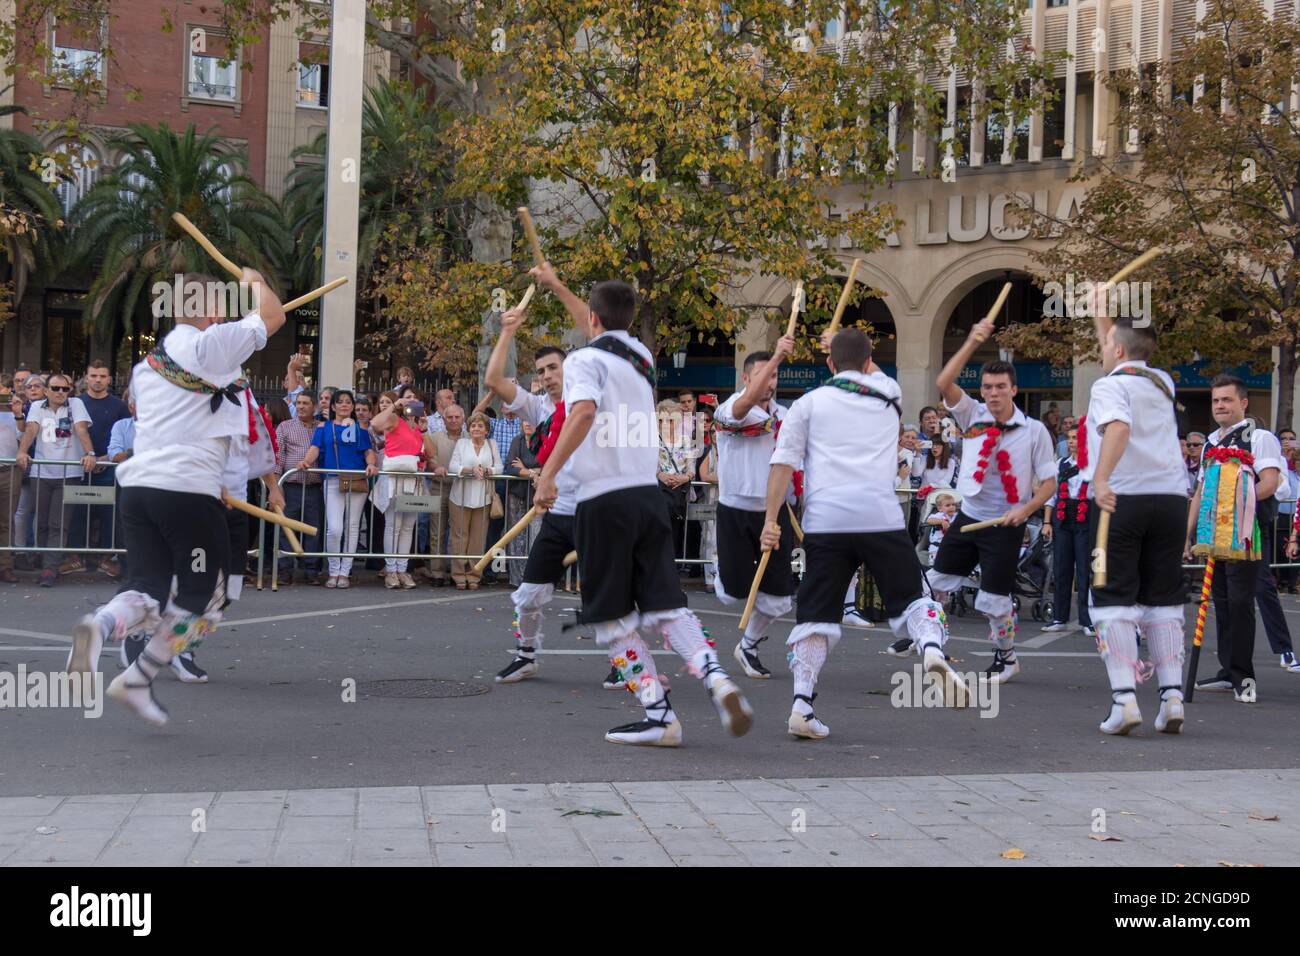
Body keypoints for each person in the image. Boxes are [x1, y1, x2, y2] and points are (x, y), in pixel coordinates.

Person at [531, 262, 752, 746]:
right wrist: (558, 285)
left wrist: (548, 473)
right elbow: (601, 326)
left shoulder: (585, 362)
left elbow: (584, 411)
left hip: (600, 500)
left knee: (611, 618)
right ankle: (717, 678)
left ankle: (659, 714)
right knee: (666, 605)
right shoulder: (640, 356)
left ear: (591, 319)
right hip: (647, 496)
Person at [67, 269, 286, 727]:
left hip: (140, 490)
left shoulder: (147, 368)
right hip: (186, 492)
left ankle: (102, 623)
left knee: (146, 585)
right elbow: (273, 314)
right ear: (211, 312)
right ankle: (140, 674)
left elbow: (186, 424)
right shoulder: (211, 346)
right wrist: (255, 280)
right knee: (204, 595)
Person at [760, 327, 970, 739]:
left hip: (827, 519)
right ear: (871, 360)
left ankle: (803, 704)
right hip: (879, 514)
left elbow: (782, 464)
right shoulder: (889, 394)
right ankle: (930, 648)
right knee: (912, 596)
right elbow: (866, 368)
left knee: (816, 614)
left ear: (829, 364)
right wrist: (839, 345)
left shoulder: (807, 404)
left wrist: (771, 521)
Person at [919, 319, 1057, 681]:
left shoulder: (1035, 431)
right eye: (987, 387)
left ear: (1013, 389)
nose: (993, 393)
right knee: (935, 581)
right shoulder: (973, 414)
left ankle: (1006, 657)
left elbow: (1049, 483)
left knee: (995, 602)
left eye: (1000, 387)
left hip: (1004, 523)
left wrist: (1025, 511)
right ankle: (931, 644)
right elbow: (943, 382)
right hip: (969, 515)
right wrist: (971, 339)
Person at [1078, 316, 1190, 733]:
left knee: (1111, 599)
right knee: (1164, 599)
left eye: (1106, 344)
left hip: (1122, 499)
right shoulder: (1162, 381)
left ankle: (1124, 700)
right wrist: (1101, 311)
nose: (1103, 348)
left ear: (1118, 351)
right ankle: (1172, 697)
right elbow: (1124, 345)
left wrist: (1102, 478)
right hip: (1171, 499)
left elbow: (1118, 428)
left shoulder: (1108, 386)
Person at [484, 310, 607, 684]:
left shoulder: (591, 403)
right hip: (558, 512)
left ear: (569, 368)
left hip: (597, 512)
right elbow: (493, 379)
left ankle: (625, 663)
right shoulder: (539, 408)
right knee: (529, 591)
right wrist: (507, 332)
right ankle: (527, 655)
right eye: (540, 371)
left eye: (553, 367)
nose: (547, 376)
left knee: (608, 594)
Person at [1189, 376, 1284, 703]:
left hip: (1246, 533)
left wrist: (1237, 511)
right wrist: (1187, 535)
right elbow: (1201, 492)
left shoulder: (1259, 438)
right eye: (1216, 401)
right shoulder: (1209, 443)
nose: (1220, 406)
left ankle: (1244, 677)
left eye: (1226, 400)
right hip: (1214, 534)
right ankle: (1228, 670)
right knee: (1223, 603)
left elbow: (1269, 483)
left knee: (1242, 602)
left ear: (1243, 403)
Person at [710, 338, 798, 680]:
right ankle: (723, 568)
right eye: (763, 375)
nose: (770, 382)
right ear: (746, 378)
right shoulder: (729, 408)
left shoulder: (787, 416)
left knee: (778, 599)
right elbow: (745, 407)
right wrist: (777, 353)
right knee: (733, 596)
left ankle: (747, 645)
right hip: (735, 510)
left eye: (775, 375)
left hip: (774, 513)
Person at [14, 372, 97, 587]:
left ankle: (50, 569)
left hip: (68, 473)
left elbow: (80, 428)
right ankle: (44, 558)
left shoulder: (75, 404)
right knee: (40, 522)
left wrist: (90, 453)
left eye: (65, 388)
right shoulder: (36, 407)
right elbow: (31, 429)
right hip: (41, 472)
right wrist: (22, 452)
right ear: (47, 390)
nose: (61, 392)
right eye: (56, 388)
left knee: (57, 523)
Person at [299, 388, 378, 588]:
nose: (344, 405)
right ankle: (333, 569)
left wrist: (371, 464)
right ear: (333, 406)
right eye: (340, 402)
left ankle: (345, 572)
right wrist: (306, 461)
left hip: (357, 480)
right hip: (333, 480)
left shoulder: (360, 430)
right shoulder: (323, 428)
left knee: (352, 527)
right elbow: (315, 449)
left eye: (348, 402)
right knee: (334, 528)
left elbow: (368, 452)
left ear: (352, 406)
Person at [66, 360, 130, 575]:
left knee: (110, 515)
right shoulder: (75, 403)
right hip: (79, 467)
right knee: (77, 513)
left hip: (109, 468)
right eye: (94, 375)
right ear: (86, 377)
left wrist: (102, 459)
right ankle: (75, 558)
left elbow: (125, 437)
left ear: (109, 380)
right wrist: (86, 458)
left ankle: (106, 559)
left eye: (102, 376)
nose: (98, 380)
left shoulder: (119, 407)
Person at [1040, 424, 1095, 637]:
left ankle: (1087, 620)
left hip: (1084, 518)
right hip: (1062, 519)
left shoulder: (1093, 465)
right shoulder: (1060, 464)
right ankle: (1059, 618)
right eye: (1070, 438)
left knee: (1084, 570)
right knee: (1061, 570)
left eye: (1076, 438)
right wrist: (1047, 522)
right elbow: (1051, 495)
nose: (1072, 442)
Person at [274, 390, 325, 584]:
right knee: (286, 528)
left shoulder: (321, 428)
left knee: (313, 529)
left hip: (314, 487)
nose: (301, 406)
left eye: (305, 403)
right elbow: (278, 456)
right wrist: (277, 486)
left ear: (315, 407)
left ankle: (311, 570)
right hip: (291, 485)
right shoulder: (285, 427)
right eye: (298, 403)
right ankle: (285, 570)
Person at [448, 411, 502, 589]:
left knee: (478, 539)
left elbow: (500, 467)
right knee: (459, 537)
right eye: (473, 425)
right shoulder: (462, 443)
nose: (476, 429)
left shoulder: (491, 444)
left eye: (480, 426)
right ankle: (458, 574)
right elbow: (452, 466)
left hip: (483, 497)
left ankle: (474, 575)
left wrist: (487, 471)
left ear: (486, 429)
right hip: (460, 497)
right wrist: (470, 470)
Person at [926, 493, 958, 564]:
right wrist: (941, 521)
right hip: (937, 548)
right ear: (940, 508)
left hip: (951, 546)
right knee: (936, 564)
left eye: (953, 504)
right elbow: (929, 520)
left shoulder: (957, 516)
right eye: (948, 505)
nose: (952, 507)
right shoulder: (939, 516)